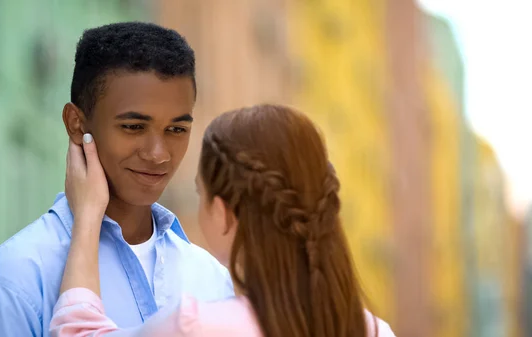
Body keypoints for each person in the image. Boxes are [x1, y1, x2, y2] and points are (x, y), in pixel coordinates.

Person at [0, 22, 233, 337]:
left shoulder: (213, 279)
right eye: (133, 126)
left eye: (176, 129)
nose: (159, 154)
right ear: (76, 123)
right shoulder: (12, 279)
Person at [50, 104, 396, 337]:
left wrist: (88, 215)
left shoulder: (197, 326)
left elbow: (77, 330)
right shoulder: (377, 331)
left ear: (223, 212)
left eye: (201, 194)